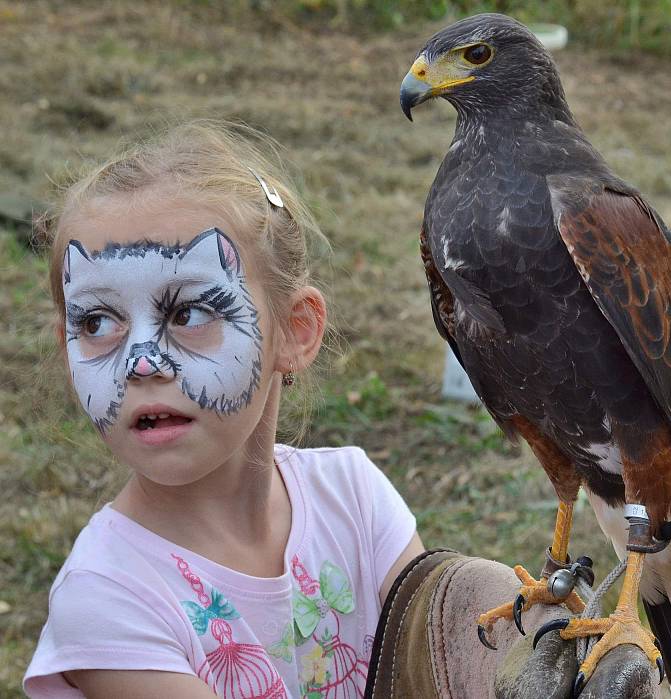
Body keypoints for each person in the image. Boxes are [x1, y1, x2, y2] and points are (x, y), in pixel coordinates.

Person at [23, 120, 424, 699]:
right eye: (97, 323)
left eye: (188, 314)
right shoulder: (106, 596)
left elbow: (438, 659)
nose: (141, 363)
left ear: (294, 331)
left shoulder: (354, 498)